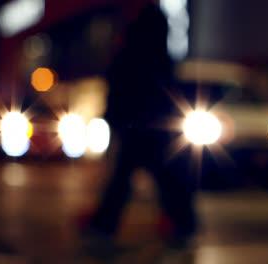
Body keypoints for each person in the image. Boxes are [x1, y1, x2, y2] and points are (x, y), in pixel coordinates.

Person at [83, 1, 197, 248]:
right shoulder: (152, 43)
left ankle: (105, 224)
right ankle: (183, 223)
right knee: (158, 174)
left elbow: (129, 80)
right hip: (148, 121)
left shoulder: (138, 43)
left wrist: (116, 113)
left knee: (132, 175)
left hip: (142, 120)